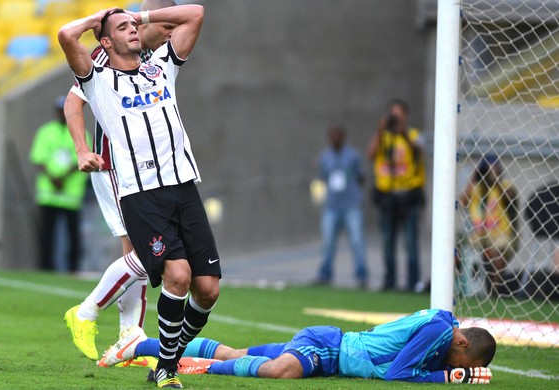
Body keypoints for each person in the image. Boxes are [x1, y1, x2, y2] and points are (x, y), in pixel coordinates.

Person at [58, 5, 220, 388]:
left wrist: (138, 17)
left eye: (135, 25)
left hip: (184, 186)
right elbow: (67, 36)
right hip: (140, 194)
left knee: (208, 289)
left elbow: (195, 13)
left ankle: (164, 357)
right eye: (124, 28)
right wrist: (99, 18)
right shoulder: (97, 79)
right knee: (176, 276)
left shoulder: (161, 65)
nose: (134, 30)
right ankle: (164, 367)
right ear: (105, 40)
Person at [62, 0, 177, 364]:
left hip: (147, 169)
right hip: (114, 166)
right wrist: (82, 150)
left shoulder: (149, 58)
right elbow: (73, 103)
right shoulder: (106, 53)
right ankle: (94, 315)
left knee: (139, 253)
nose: (171, 33)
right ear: (148, 20)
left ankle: (130, 334)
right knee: (142, 252)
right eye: (167, 26)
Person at [100, 308, 495, 384]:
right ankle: (192, 367)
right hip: (327, 349)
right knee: (277, 371)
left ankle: (140, 344)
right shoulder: (441, 333)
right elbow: (397, 374)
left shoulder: (445, 324)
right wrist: (449, 377)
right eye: (458, 355)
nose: (450, 358)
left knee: (239, 354)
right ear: (460, 342)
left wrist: (452, 369)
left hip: (326, 348)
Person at [367, 99, 425, 291]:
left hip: (409, 195)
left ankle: (413, 282)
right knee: (388, 241)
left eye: (399, 115)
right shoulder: (383, 136)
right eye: (393, 115)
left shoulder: (413, 135)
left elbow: (419, 149)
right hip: (387, 195)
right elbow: (371, 154)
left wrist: (403, 134)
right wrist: (380, 130)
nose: (396, 119)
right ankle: (389, 280)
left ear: (406, 116)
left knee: (410, 241)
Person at [29, 96, 91, 272]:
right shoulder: (46, 131)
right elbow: (38, 159)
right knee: (47, 234)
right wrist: (54, 178)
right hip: (49, 195)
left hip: (71, 195)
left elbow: (83, 157)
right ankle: (45, 267)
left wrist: (61, 178)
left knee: (73, 236)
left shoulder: (81, 132)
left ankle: (73, 268)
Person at [314, 125, 367, 287]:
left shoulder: (353, 156)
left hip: (351, 205)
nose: (336, 138)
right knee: (328, 241)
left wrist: (356, 195)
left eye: (339, 135)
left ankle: (361, 275)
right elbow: (320, 180)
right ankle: (325, 273)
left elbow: (361, 177)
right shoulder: (324, 157)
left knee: (357, 240)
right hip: (331, 205)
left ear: (343, 137)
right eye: (333, 136)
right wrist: (318, 199)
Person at [460, 155, 519, 296]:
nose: (492, 172)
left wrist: (496, 181)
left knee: (498, 251)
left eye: (495, 168)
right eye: (488, 169)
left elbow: (510, 198)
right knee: (456, 245)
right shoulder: (476, 188)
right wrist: (473, 179)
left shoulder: (505, 185)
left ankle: (494, 290)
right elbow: (462, 202)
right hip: (479, 235)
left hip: (501, 234)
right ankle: (460, 287)